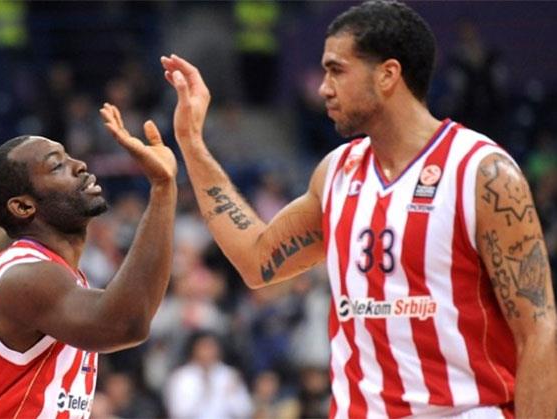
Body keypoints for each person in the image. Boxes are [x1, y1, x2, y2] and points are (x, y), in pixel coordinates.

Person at [160, 1, 557, 417]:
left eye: (337, 70)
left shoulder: (482, 173)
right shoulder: (336, 173)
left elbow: (538, 332)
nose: (323, 88)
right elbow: (259, 261)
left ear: (387, 74)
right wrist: (192, 143)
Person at [0, 103, 177, 418]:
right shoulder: (25, 276)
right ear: (23, 206)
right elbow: (125, 324)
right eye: (57, 166)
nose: (80, 165)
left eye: (69, 156)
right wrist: (163, 190)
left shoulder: (59, 277)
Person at [163, 330, 253, 419]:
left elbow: (245, 412)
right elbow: (178, 413)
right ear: (194, 349)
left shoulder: (229, 375)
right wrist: (203, 390)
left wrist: (232, 396)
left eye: (212, 347)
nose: (209, 352)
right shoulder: (181, 377)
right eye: (204, 347)